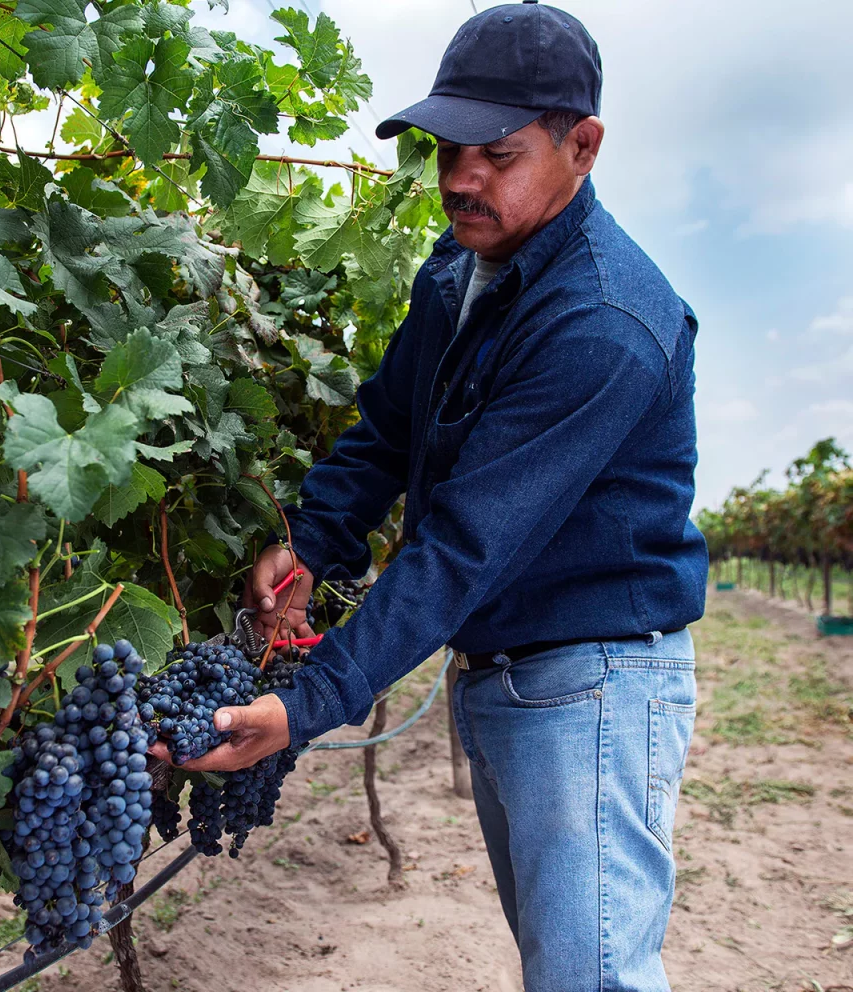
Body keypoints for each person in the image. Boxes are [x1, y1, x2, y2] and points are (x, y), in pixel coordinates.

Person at [150, 3, 709, 989]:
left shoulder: (605, 321)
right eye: (448, 150)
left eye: (496, 152)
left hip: (593, 683)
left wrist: (305, 701)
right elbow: (389, 429)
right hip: (506, 669)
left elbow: (460, 546)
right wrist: (317, 536)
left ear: (583, 145)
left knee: (593, 974)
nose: (460, 179)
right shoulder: (458, 268)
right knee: (564, 964)